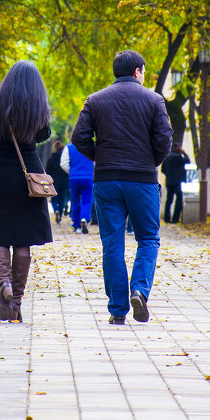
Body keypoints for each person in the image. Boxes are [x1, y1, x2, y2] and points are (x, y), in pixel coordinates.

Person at [72, 50, 172, 325]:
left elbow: (79, 137)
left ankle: (117, 309)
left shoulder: (95, 100)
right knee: (148, 238)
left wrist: (99, 156)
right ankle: (139, 289)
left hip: (106, 180)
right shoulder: (154, 100)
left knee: (112, 243)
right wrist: (151, 161)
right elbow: (164, 138)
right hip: (142, 180)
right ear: (138, 71)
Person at [0, 60, 53, 322]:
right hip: (28, 177)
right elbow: (43, 135)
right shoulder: (36, 105)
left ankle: (3, 284)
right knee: (23, 240)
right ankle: (15, 302)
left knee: (0, 238)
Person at [60, 141, 94, 233]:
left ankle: (77, 225)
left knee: (75, 200)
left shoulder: (69, 147)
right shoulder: (91, 146)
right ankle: (84, 218)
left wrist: (71, 172)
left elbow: (63, 163)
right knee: (87, 200)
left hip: (74, 178)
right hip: (88, 177)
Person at [161, 147, 191, 223]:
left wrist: (168, 175)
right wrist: (184, 153)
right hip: (178, 182)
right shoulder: (179, 157)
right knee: (179, 199)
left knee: (169, 200)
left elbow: (162, 170)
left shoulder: (167, 157)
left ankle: (167, 219)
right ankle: (175, 219)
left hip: (169, 181)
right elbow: (188, 161)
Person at [45, 140, 70, 223]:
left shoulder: (50, 160)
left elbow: (47, 172)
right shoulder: (65, 159)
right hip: (64, 182)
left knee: (54, 199)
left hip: (54, 182)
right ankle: (60, 216)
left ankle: (56, 210)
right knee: (62, 199)